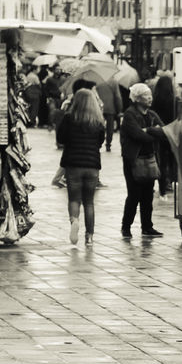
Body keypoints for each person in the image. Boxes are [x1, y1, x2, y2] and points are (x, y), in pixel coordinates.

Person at [55, 88, 105, 247]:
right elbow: (100, 142)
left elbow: (60, 139)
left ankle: (74, 220)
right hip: (92, 165)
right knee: (89, 202)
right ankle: (89, 236)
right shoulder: (97, 120)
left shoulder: (69, 118)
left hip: (73, 164)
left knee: (74, 198)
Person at [119, 83, 166, 238]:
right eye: (146, 96)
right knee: (134, 195)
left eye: (150, 95)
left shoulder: (152, 115)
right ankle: (126, 227)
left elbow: (164, 131)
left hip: (150, 158)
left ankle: (147, 226)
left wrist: (150, 130)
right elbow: (138, 135)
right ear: (137, 98)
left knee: (148, 195)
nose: (150, 98)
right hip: (134, 159)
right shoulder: (130, 114)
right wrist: (152, 134)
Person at [150, 74, 178, 198]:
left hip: (159, 133)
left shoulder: (155, 100)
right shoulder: (175, 100)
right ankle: (169, 182)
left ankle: (161, 183)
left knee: (159, 158)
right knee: (172, 157)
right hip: (171, 132)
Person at [94, 78, 123, 153]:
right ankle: (108, 144)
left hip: (98, 107)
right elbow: (118, 96)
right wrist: (119, 109)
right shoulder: (113, 81)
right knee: (110, 127)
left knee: (98, 125)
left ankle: (97, 142)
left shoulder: (96, 81)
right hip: (110, 108)